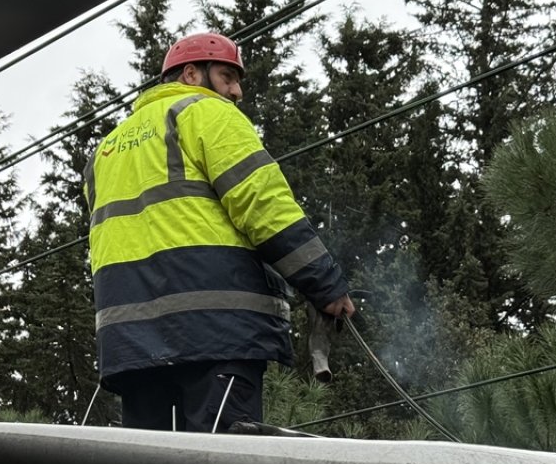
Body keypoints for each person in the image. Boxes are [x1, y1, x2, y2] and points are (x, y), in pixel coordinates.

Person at [84, 32, 355, 433]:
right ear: (191, 73)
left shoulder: (105, 151)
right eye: (227, 77)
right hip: (216, 331)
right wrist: (326, 285)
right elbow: (264, 206)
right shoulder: (208, 114)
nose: (237, 91)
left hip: (131, 344)